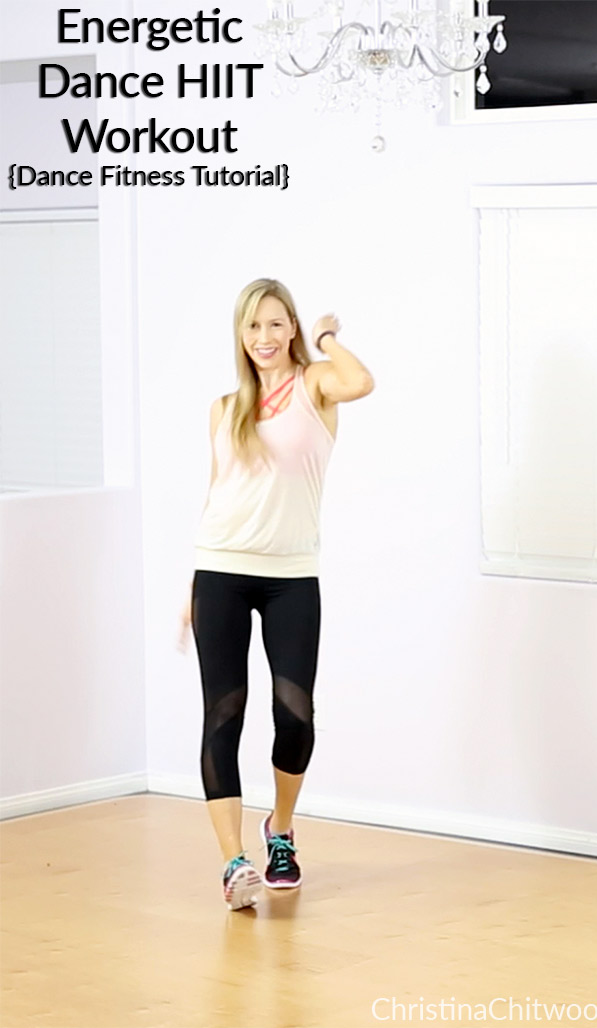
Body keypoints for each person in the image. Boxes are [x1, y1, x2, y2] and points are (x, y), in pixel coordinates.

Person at [178, 278, 374, 910]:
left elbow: (361, 381)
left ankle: (280, 831)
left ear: (290, 328)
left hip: (292, 575)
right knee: (223, 712)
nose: (263, 337)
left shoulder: (316, 386)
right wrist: (193, 584)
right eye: (252, 326)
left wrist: (326, 338)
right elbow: (218, 494)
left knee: (295, 714)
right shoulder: (224, 408)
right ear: (240, 335)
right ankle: (233, 863)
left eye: (274, 324)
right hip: (220, 571)